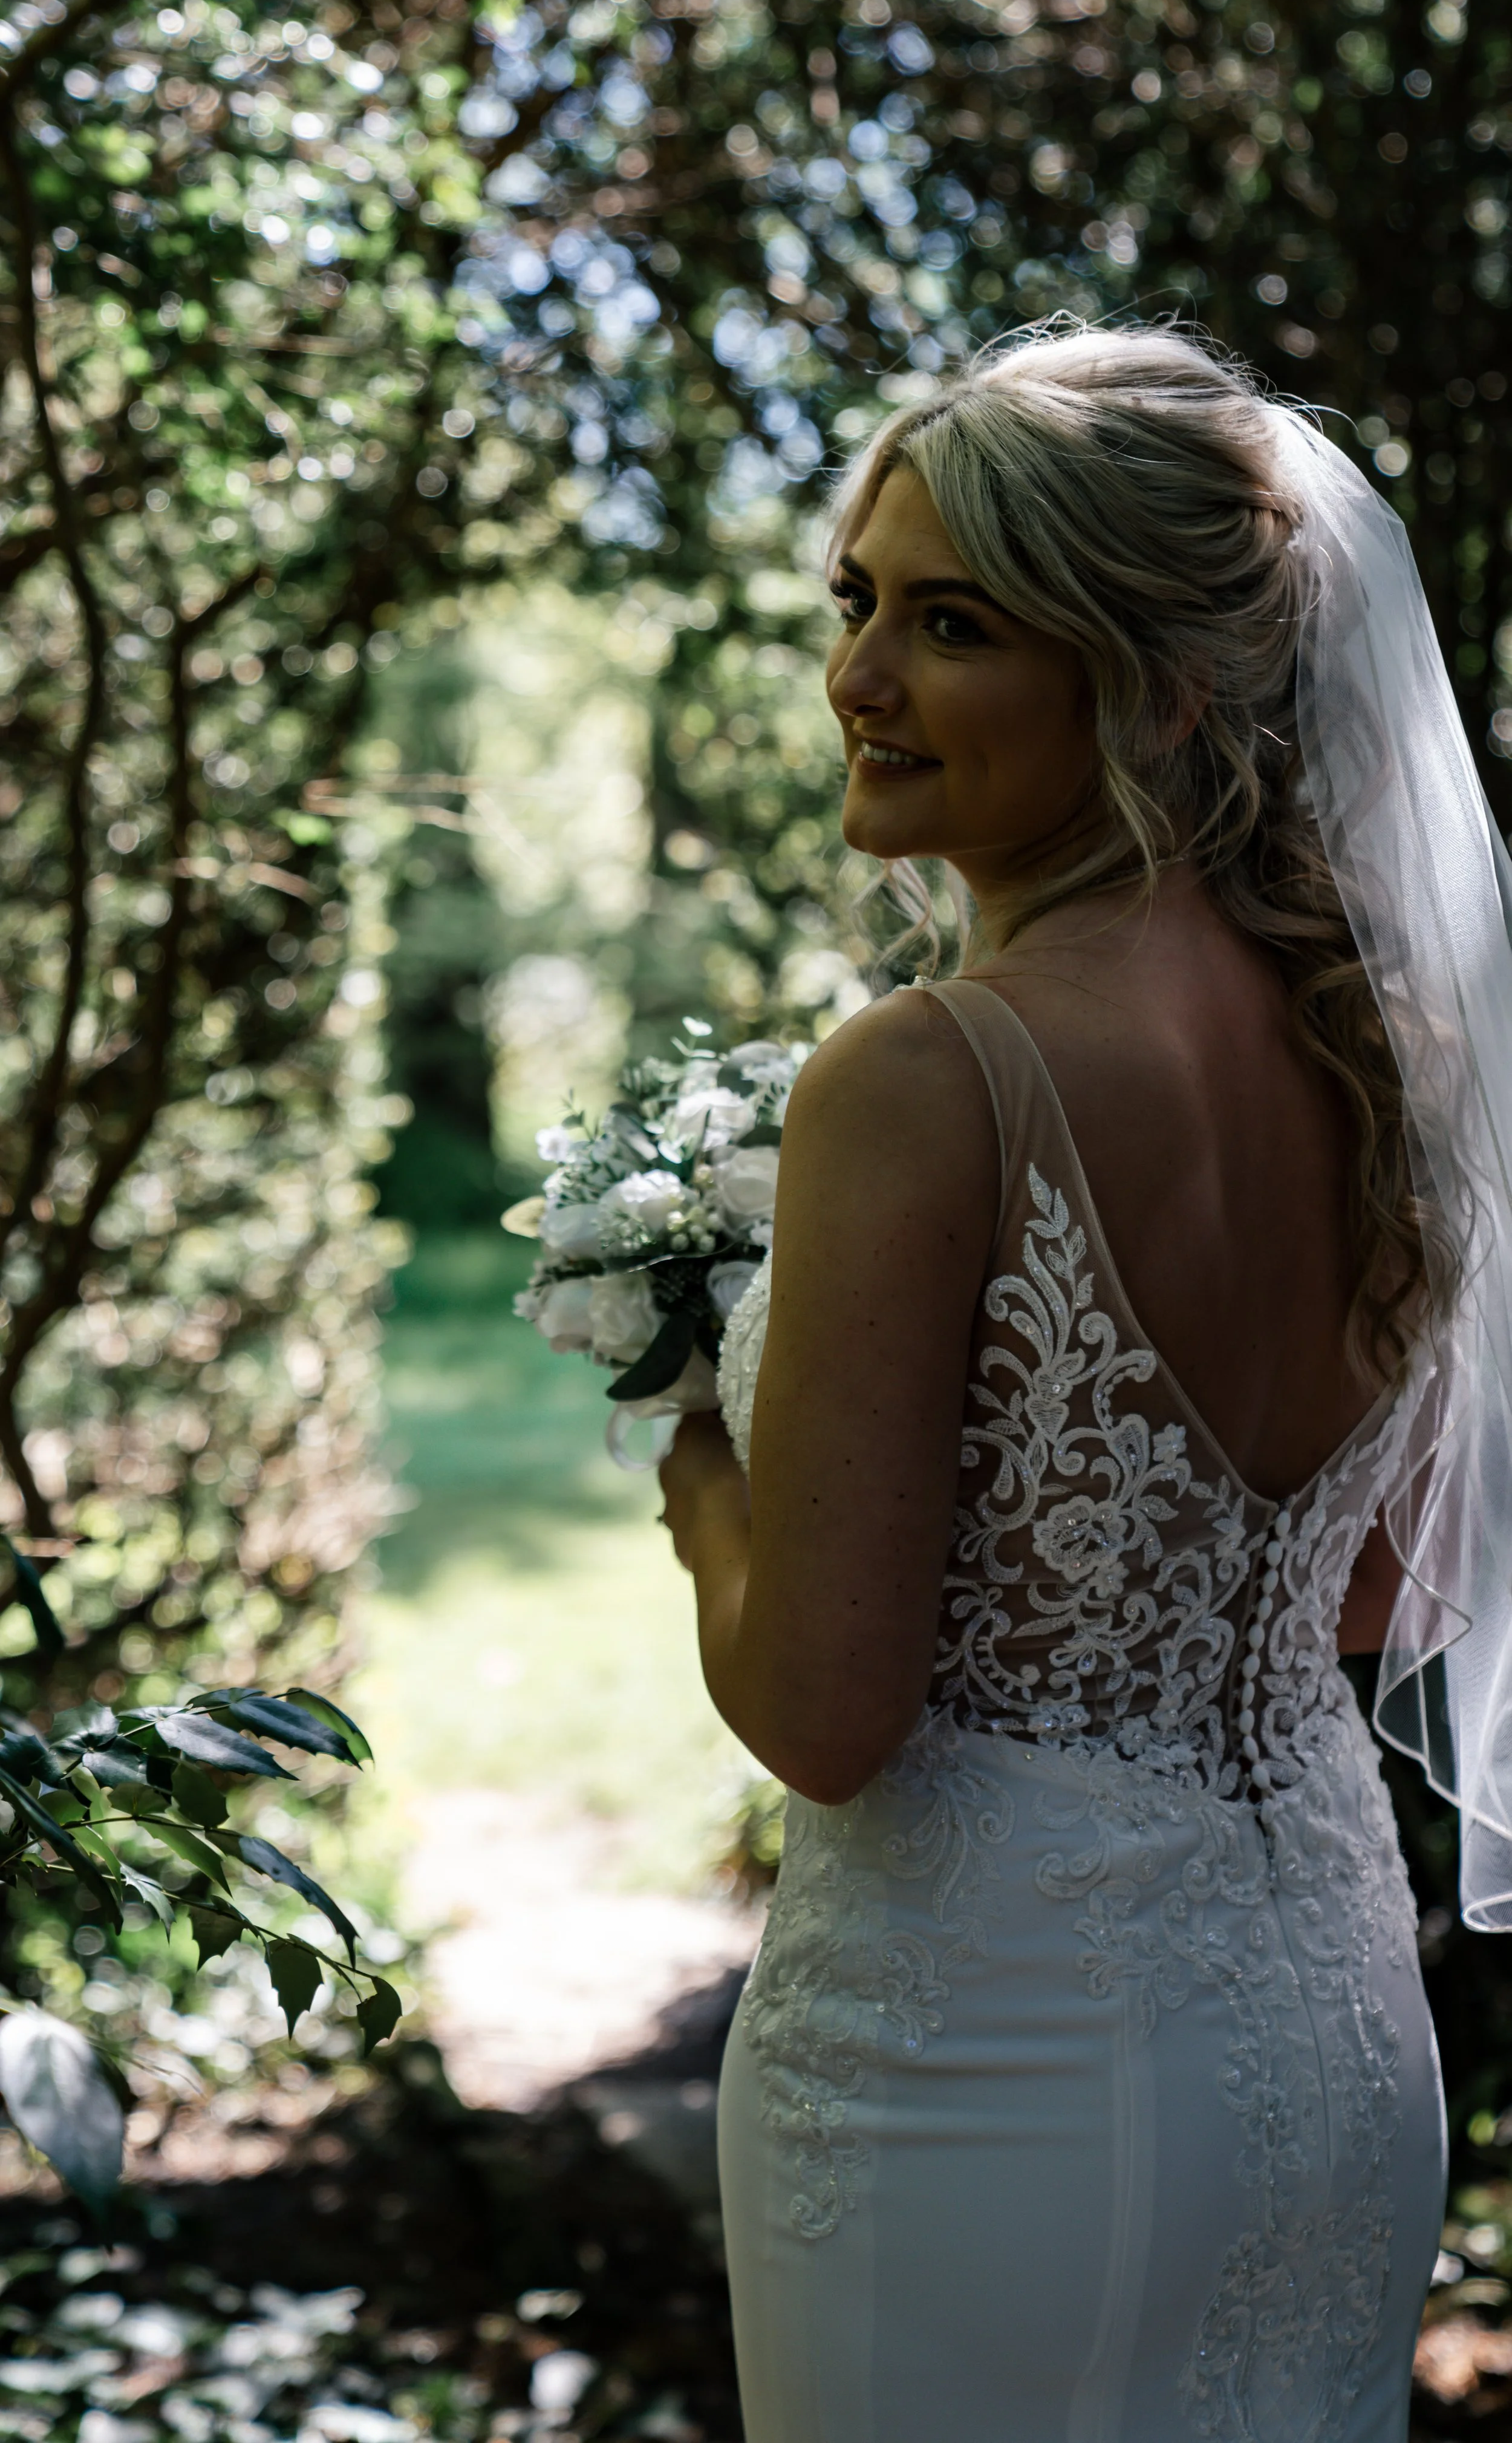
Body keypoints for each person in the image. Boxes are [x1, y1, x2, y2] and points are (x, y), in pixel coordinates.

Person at [656, 321, 1512, 2442]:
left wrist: (693, 1457)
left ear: (1162, 679)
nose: (860, 677)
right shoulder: (1387, 1059)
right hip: (1318, 2017)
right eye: (857, 601)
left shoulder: (928, 1076)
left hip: (982, 2061)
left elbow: (824, 1712)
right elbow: (1386, 1589)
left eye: (950, 624)